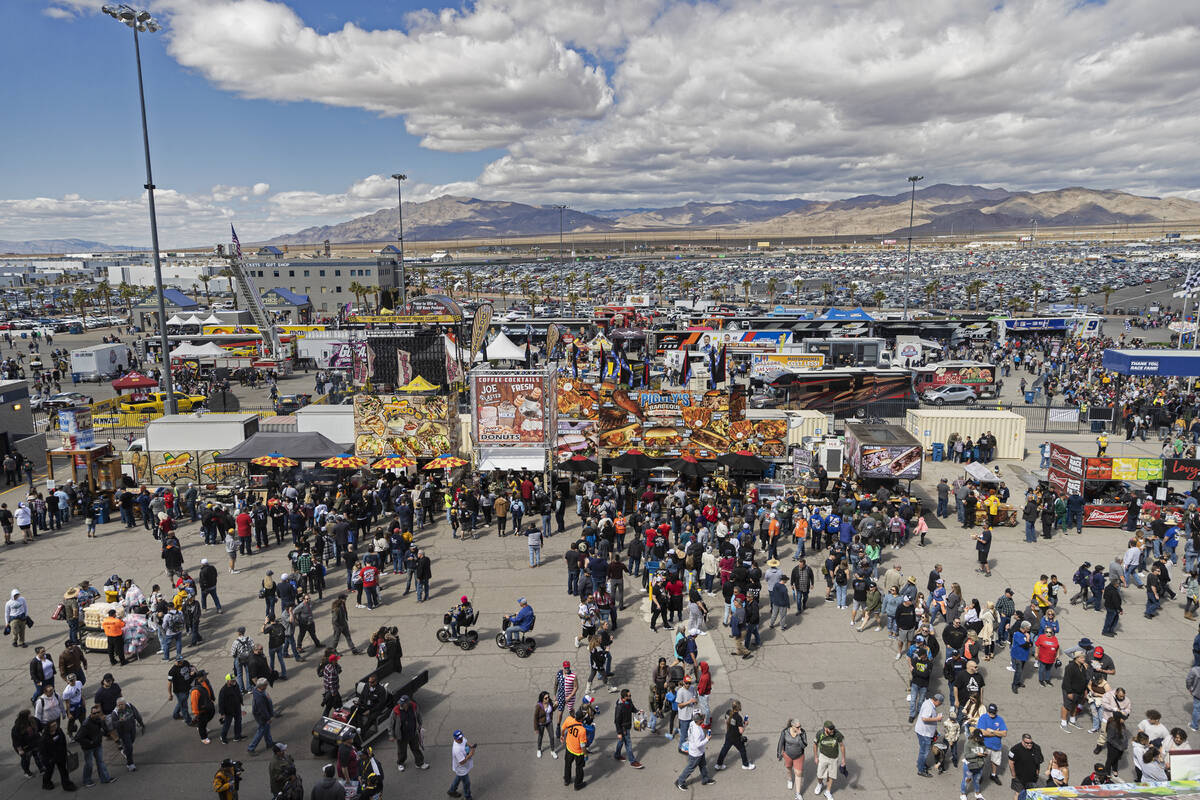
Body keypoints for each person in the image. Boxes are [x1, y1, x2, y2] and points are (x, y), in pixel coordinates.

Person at [676, 712, 716, 790]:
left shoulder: (692, 723)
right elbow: (698, 744)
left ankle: (705, 779)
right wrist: (707, 739)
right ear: (699, 721)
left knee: (703, 765)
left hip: (699, 751)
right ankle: (680, 781)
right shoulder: (697, 731)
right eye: (702, 719)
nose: (703, 720)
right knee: (690, 768)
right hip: (696, 753)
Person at [389, 693, 428, 771]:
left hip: (413, 733)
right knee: (402, 751)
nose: (400, 705)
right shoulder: (396, 710)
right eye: (400, 703)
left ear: (407, 703)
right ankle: (400, 763)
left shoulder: (413, 707)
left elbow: (418, 716)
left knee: (416, 748)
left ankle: (419, 763)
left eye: (402, 704)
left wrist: (419, 725)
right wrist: (391, 735)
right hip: (402, 735)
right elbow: (391, 723)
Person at [714, 700, 755, 771]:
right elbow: (741, 731)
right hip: (736, 738)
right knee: (742, 750)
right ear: (739, 708)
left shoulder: (728, 712)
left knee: (724, 750)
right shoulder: (738, 717)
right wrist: (745, 724)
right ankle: (745, 765)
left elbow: (726, 721)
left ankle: (718, 764)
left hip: (728, 735)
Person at [39, 719, 76, 791]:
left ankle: (66, 785)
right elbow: (43, 751)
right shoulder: (44, 738)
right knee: (49, 771)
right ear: (48, 727)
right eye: (52, 726)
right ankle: (46, 783)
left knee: (63, 771)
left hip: (60, 755)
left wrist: (65, 751)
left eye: (55, 725)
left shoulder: (59, 731)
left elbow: (63, 742)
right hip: (50, 758)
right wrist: (49, 759)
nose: (55, 727)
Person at [813, 720, 846, 799]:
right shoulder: (820, 734)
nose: (832, 731)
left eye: (833, 729)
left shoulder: (837, 734)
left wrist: (843, 759)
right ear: (825, 728)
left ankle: (827, 792)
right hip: (823, 756)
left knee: (831, 775)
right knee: (819, 774)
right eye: (830, 729)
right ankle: (820, 784)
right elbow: (815, 744)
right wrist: (816, 757)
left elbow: (842, 746)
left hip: (833, 758)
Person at [976, 703, 1008, 786]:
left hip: (996, 746)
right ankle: (979, 775)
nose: (991, 714)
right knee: (981, 761)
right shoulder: (983, 718)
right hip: (984, 745)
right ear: (987, 711)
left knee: (995, 761)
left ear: (996, 712)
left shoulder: (1000, 719)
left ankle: (993, 775)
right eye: (990, 712)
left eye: (993, 713)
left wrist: (992, 731)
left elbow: (1004, 733)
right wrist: (997, 732)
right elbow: (982, 732)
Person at [612, 688, 644, 768]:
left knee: (621, 741)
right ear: (624, 697)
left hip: (627, 726)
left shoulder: (629, 701)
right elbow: (617, 721)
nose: (631, 696)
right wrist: (619, 733)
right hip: (623, 728)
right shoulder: (619, 707)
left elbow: (632, 708)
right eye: (629, 695)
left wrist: (637, 711)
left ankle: (617, 755)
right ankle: (632, 761)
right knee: (628, 744)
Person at [778, 718, 808, 799]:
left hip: (799, 756)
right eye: (797, 727)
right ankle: (790, 779)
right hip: (788, 755)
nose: (799, 728)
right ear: (792, 726)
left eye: (800, 726)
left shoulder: (802, 732)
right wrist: (779, 753)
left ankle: (798, 794)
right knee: (788, 768)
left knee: (798, 773)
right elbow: (781, 742)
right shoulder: (785, 732)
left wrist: (799, 736)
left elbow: (804, 745)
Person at [915, 693, 944, 777]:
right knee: (924, 752)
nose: (940, 705)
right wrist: (937, 719)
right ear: (937, 701)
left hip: (922, 731)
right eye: (940, 703)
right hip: (925, 733)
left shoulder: (927, 702)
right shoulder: (929, 707)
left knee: (922, 750)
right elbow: (924, 718)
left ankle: (921, 764)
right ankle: (921, 770)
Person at [1008, 734, 1044, 800]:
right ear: (1022, 741)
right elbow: (1011, 762)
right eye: (1027, 743)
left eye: (1031, 743)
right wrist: (1013, 775)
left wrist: (1037, 773)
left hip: (1032, 777)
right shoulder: (1015, 749)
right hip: (1019, 777)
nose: (1029, 744)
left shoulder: (1036, 748)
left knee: (1031, 794)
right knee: (1018, 793)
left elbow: (1038, 762)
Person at [246, 678, 275, 754]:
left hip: (261, 715)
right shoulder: (260, 697)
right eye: (266, 685)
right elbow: (263, 710)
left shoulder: (258, 690)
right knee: (261, 731)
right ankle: (251, 748)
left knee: (266, 728)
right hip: (262, 716)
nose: (267, 686)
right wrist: (268, 718)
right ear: (262, 687)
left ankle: (269, 743)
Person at [562, 709, 587, 790]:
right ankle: (578, 784)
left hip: (569, 748)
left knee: (567, 764)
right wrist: (585, 754)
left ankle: (567, 780)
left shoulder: (569, 720)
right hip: (578, 752)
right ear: (581, 719)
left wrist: (562, 736)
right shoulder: (582, 730)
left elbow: (563, 728)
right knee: (579, 768)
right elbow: (582, 745)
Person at [447, 729, 475, 799]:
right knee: (466, 783)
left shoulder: (462, 739)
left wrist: (471, 746)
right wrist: (470, 755)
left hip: (462, 767)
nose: (461, 739)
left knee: (458, 778)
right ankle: (468, 797)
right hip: (461, 768)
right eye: (459, 739)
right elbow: (462, 762)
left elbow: (465, 742)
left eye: (461, 737)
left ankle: (452, 790)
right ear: (455, 739)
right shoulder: (457, 749)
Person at [218, 673, 244, 744]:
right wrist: (222, 713)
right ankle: (223, 737)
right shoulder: (223, 690)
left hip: (237, 707)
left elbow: (239, 694)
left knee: (238, 721)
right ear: (228, 681)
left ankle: (237, 736)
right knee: (227, 724)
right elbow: (221, 702)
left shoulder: (236, 685)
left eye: (234, 680)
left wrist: (241, 701)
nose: (234, 681)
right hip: (229, 710)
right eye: (232, 680)